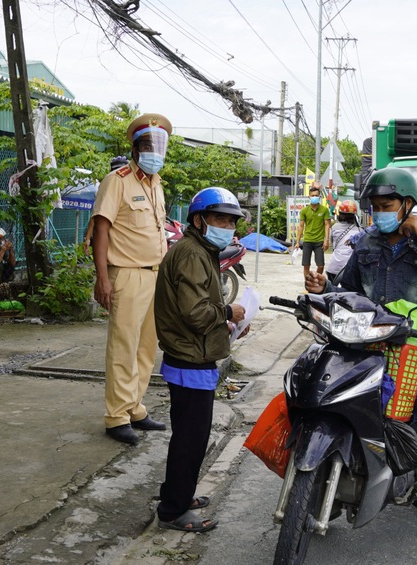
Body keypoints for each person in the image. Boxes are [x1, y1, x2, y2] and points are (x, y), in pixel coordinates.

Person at [305, 168, 417, 561]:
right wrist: (322, 289)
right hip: (366, 342)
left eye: (387, 206)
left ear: (408, 206)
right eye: (374, 207)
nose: (379, 213)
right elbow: (347, 288)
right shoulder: (364, 243)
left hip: (416, 345)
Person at [154, 187, 249, 533]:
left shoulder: (202, 250)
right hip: (188, 357)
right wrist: (228, 310)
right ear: (200, 220)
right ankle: (173, 510)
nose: (227, 225)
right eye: (220, 218)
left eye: (231, 220)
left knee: (188, 435)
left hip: (191, 353)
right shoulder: (193, 254)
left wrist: (229, 324)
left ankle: (178, 494)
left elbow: (194, 310)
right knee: (190, 439)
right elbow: (196, 313)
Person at [92, 113, 173, 445]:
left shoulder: (156, 184)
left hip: (155, 275)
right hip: (126, 274)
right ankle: (116, 417)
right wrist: (103, 279)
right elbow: (101, 229)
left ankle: (134, 407)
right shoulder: (118, 180)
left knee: (146, 348)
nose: (155, 151)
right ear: (136, 149)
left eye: (159, 145)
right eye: (148, 145)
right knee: (123, 347)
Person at [83, 156, 130, 255]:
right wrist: (88, 238)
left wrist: (88, 238)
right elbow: (96, 215)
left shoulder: (132, 188)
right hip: (112, 239)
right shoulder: (107, 187)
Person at [295, 182, 331, 279]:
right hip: (307, 240)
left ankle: (315, 281)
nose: (314, 197)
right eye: (312, 196)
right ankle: (308, 284)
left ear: (319, 197)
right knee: (306, 265)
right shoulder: (304, 211)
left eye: (316, 195)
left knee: (321, 265)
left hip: (319, 242)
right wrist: (297, 242)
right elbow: (301, 226)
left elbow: (327, 225)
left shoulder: (324, 210)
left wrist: (326, 240)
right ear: (309, 197)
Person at [324, 199, 363, 283]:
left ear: (340, 214)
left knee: (332, 291)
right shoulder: (359, 231)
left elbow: (332, 242)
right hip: (350, 268)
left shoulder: (334, 228)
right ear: (354, 216)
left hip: (334, 267)